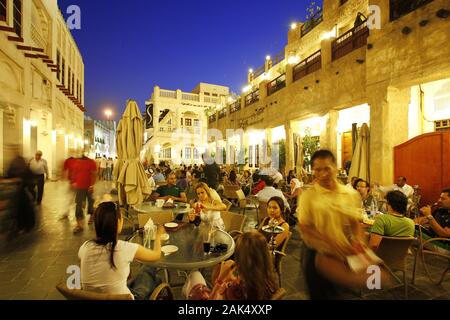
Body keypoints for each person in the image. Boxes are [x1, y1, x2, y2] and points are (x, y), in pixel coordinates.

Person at [297, 149, 386, 299]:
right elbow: (304, 227)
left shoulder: (350, 194)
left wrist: (359, 242)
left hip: (344, 252)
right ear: (313, 171)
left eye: (327, 168)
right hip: (317, 253)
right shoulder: (308, 196)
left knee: (345, 293)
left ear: (335, 167)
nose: (323, 174)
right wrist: (329, 242)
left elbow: (355, 223)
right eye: (318, 170)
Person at [78, 202, 164, 300]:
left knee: (145, 277)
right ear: (119, 222)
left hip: (94, 297)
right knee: (148, 268)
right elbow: (156, 255)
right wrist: (158, 236)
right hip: (126, 298)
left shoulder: (85, 247)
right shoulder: (125, 248)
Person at [183, 231, 279, 300]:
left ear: (241, 258)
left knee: (194, 275)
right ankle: (208, 248)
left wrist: (221, 279)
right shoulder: (270, 281)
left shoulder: (234, 289)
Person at [6, 154, 35, 232]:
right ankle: (22, 226)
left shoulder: (24, 169)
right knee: (21, 210)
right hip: (18, 192)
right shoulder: (20, 168)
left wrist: (21, 181)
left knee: (22, 210)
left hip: (22, 192)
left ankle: (23, 226)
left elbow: (30, 181)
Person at [72, 154, 97, 233]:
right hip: (80, 187)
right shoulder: (77, 162)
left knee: (91, 202)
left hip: (89, 186)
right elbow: (74, 173)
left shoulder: (91, 162)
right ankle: (79, 225)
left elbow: (94, 174)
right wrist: (73, 182)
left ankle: (92, 216)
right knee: (78, 204)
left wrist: (92, 185)